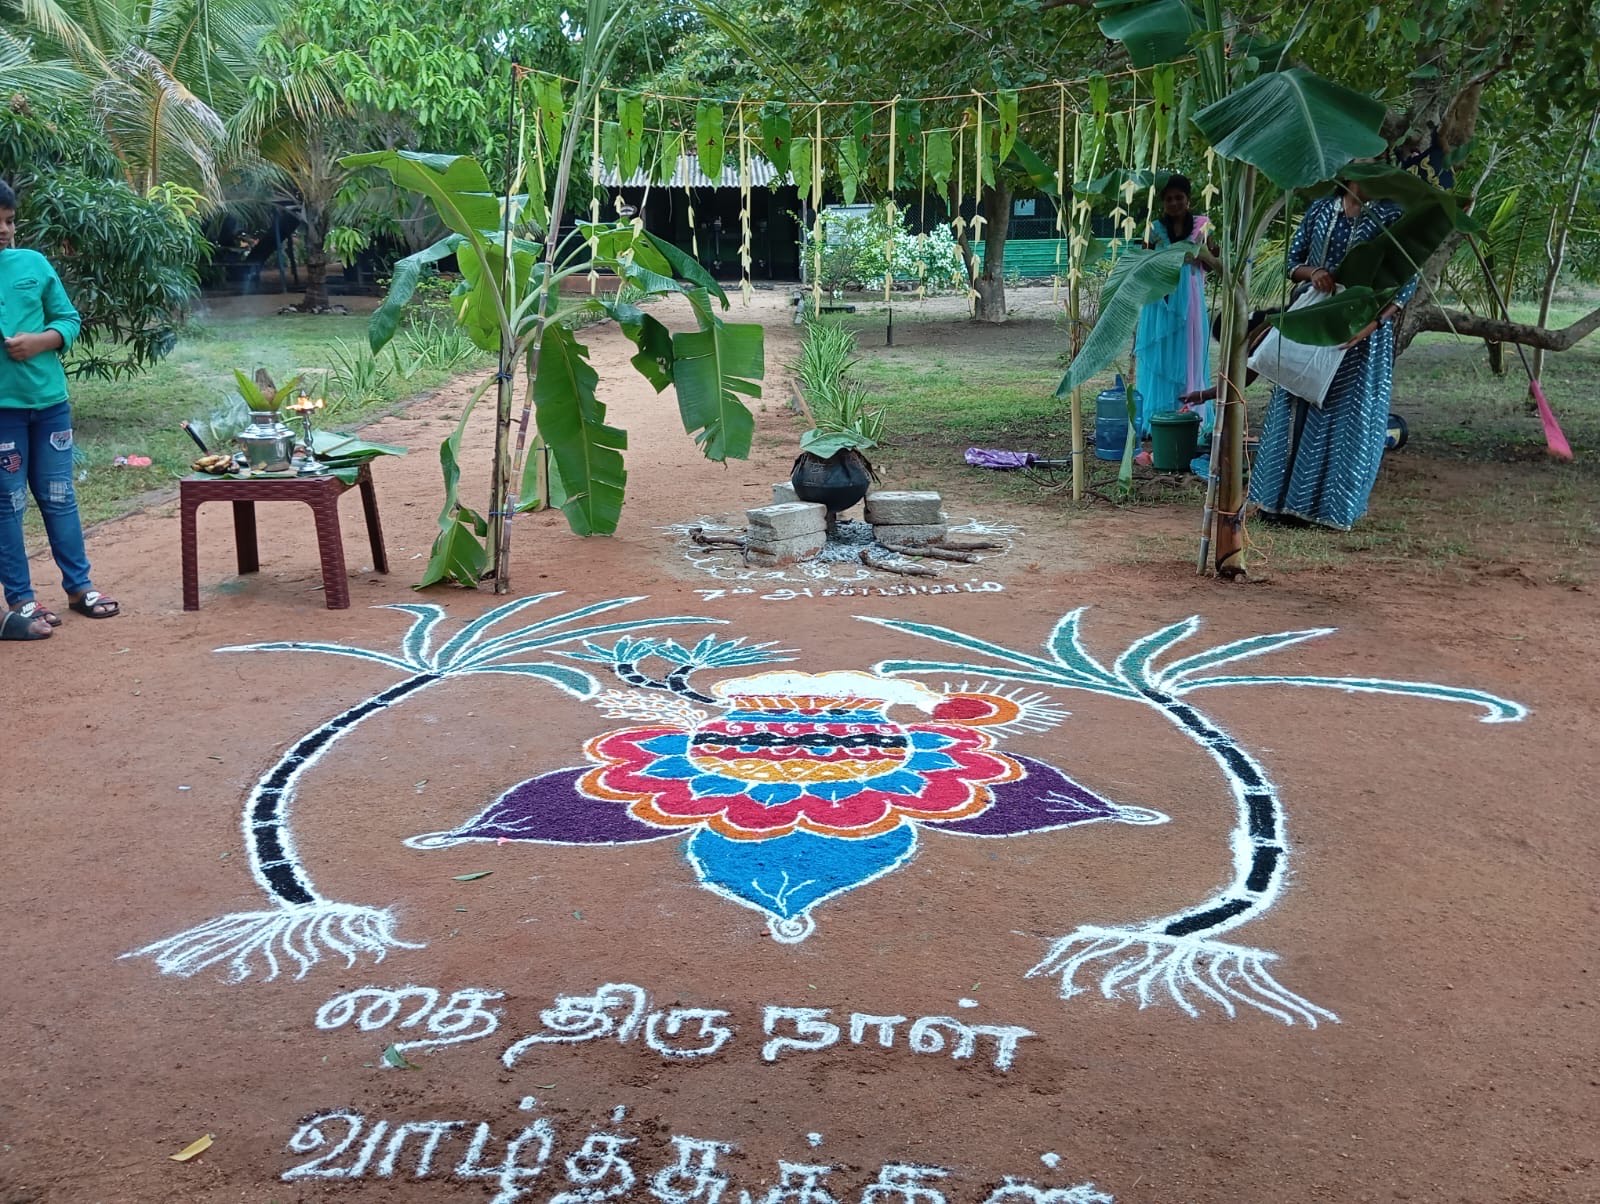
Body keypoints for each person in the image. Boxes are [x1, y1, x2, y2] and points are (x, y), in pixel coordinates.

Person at [1248, 180, 1416, 530]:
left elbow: (1406, 281)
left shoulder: (1393, 217)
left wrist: (1371, 326)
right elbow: (1291, 263)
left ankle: (1328, 510)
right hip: (1313, 321)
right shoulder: (1321, 210)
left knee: (1344, 415)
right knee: (1293, 405)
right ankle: (1275, 503)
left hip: (1361, 334)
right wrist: (1314, 273)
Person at [0, 178, 120, 633]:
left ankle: (79, 586)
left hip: (50, 404)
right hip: (3, 412)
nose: (4, 230)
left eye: (9, 221)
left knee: (59, 496)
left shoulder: (32, 263)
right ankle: (22, 599)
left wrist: (41, 341)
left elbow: (68, 319)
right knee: (8, 503)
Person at [1133, 174, 1214, 440]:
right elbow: (1142, 263)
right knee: (1161, 355)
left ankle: (1191, 418)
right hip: (1160, 298)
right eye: (1168, 199)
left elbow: (1212, 260)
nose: (1174, 203)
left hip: (1189, 298)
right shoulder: (1154, 229)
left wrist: (1200, 253)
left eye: (1179, 197)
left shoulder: (1201, 226)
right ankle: (1157, 418)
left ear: (1188, 200)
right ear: (1162, 203)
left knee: (1188, 353)